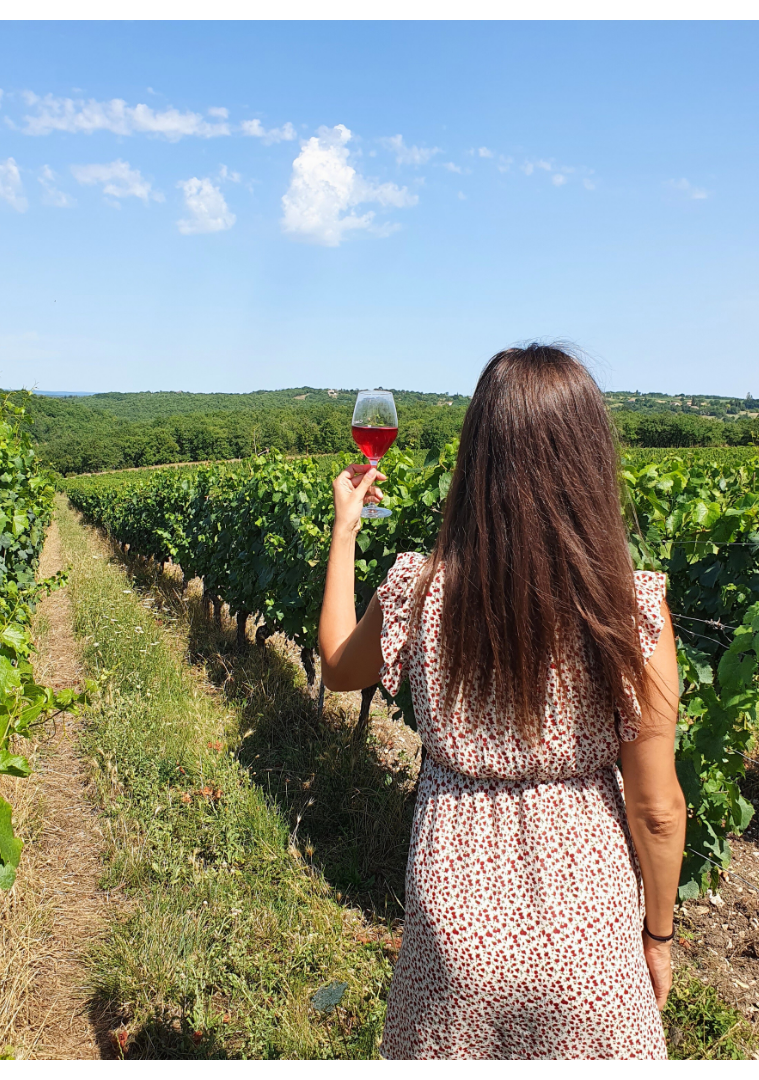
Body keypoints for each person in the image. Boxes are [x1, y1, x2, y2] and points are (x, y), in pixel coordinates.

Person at [317, 344, 686, 1059]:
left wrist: (345, 529)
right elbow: (657, 809)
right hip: (591, 933)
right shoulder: (631, 607)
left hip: (453, 931)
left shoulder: (419, 591)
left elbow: (336, 667)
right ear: (590, 462)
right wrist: (659, 935)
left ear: (475, 460)